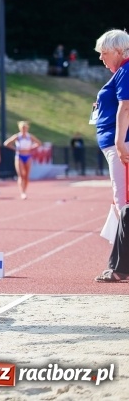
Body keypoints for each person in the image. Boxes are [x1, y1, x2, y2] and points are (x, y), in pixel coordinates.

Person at [91, 29, 129, 282]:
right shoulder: (121, 72)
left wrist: (119, 141)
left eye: (104, 53)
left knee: (124, 203)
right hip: (116, 146)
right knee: (122, 203)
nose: (102, 59)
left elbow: (126, 106)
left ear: (118, 51)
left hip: (121, 146)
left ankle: (120, 268)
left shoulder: (126, 70)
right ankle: (118, 265)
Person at [3, 121, 41, 200]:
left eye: (25, 128)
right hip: (19, 156)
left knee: (26, 176)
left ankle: (25, 190)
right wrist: (15, 149)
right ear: (20, 128)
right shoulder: (17, 136)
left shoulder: (29, 136)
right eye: (22, 128)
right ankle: (22, 192)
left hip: (28, 156)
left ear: (27, 128)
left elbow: (39, 143)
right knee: (21, 175)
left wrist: (31, 148)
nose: (24, 129)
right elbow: (6, 143)